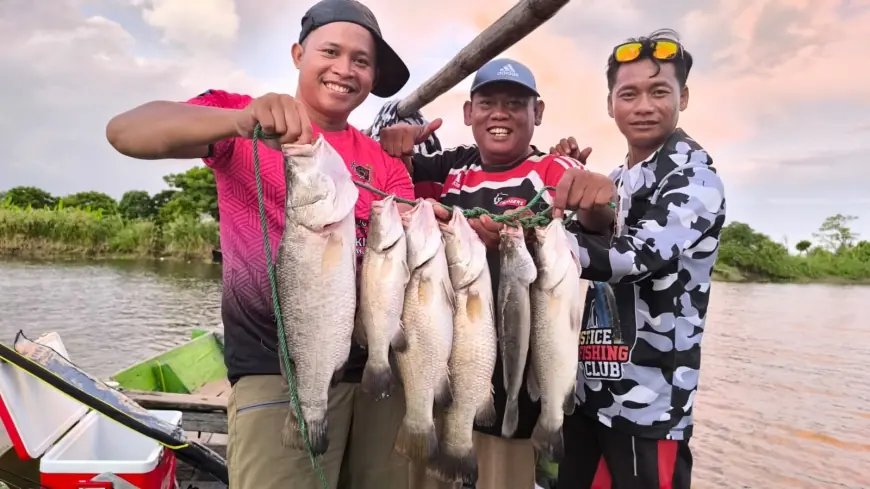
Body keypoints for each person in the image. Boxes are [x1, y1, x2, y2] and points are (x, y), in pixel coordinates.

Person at [104, 1, 418, 488]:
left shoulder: (385, 164)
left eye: (361, 60)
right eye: (330, 51)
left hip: (379, 373)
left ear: (372, 76)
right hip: (276, 372)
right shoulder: (242, 120)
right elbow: (124, 132)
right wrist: (237, 120)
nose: (344, 69)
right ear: (298, 54)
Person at [377, 57, 616, 489]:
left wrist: (597, 204)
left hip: (515, 394)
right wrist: (394, 146)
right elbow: (390, 181)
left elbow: (597, 231)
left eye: (515, 103)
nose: (500, 113)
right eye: (487, 103)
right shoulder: (449, 168)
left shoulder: (556, 171)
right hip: (438, 371)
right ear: (469, 113)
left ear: (537, 113)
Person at [551, 28, 726, 489]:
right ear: (610, 104)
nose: (643, 105)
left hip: (649, 406)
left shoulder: (695, 177)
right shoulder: (619, 176)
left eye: (659, 91)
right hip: (591, 390)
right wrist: (578, 197)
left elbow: (633, 257)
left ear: (683, 97)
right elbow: (588, 234)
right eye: (628, 93)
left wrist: (527, 243)